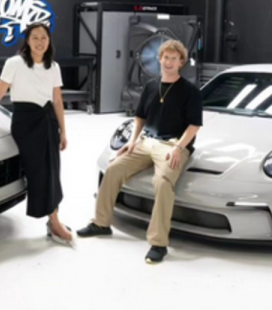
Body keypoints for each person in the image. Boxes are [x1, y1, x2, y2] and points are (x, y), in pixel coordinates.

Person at [76, 40, 202, 264]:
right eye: (166, 57)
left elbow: (194, 125)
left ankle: (158, 243)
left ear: (181, 62)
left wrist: (179, 148)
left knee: (162, 182)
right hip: (146, 142)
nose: (169, 62)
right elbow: (140, 117)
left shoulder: (190, 90)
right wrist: (132, 142)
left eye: (174, 59)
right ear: (159, 59)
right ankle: (101, 223)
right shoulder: (151, 86)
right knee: (113, 169)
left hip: (172, 145)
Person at [0, 22, 74, 246]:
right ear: (27, 41)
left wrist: (63, 131)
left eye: (44, 37)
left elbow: (57, 100)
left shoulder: (53, 67)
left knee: (52, 171)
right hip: (26, 122)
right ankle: (53, 220)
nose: (40, 42)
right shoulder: (15, 63)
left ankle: (54, 220)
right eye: (35, 37)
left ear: (49, 41)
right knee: (38, 171)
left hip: (48, 121)